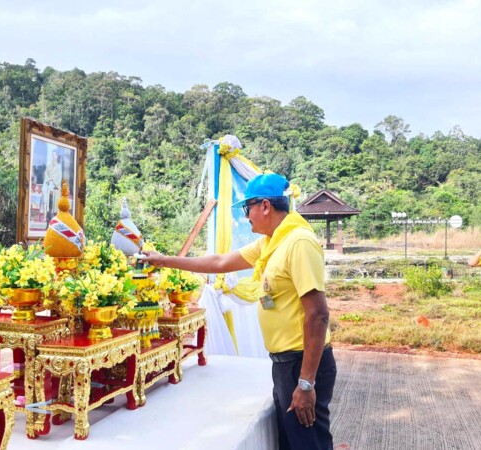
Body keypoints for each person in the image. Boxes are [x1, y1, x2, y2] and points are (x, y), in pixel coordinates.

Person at [142, 173, 336, 450]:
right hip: (285, 363)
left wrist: (306, 383)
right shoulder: (271, 242)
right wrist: (164, 261)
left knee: (309, 443)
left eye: (248, 208)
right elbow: (220, 262)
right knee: (292, 442)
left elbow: (318, 315)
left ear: (266, 206)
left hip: (302, 363)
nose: (246, 216)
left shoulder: (298, 242)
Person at [42, 150, 62, 222]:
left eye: (55, 155)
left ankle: (55, 220)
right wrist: (49, 182)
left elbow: (59, 178)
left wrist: (54, 184)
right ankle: (48, 220)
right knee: (48, 205)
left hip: (55, 189)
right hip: (49, 189)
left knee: (55, 206)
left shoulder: (59, 167)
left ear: (57, 156)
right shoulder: (48, 166)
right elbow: (46, 176)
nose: (54, 157)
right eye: (52, 155)